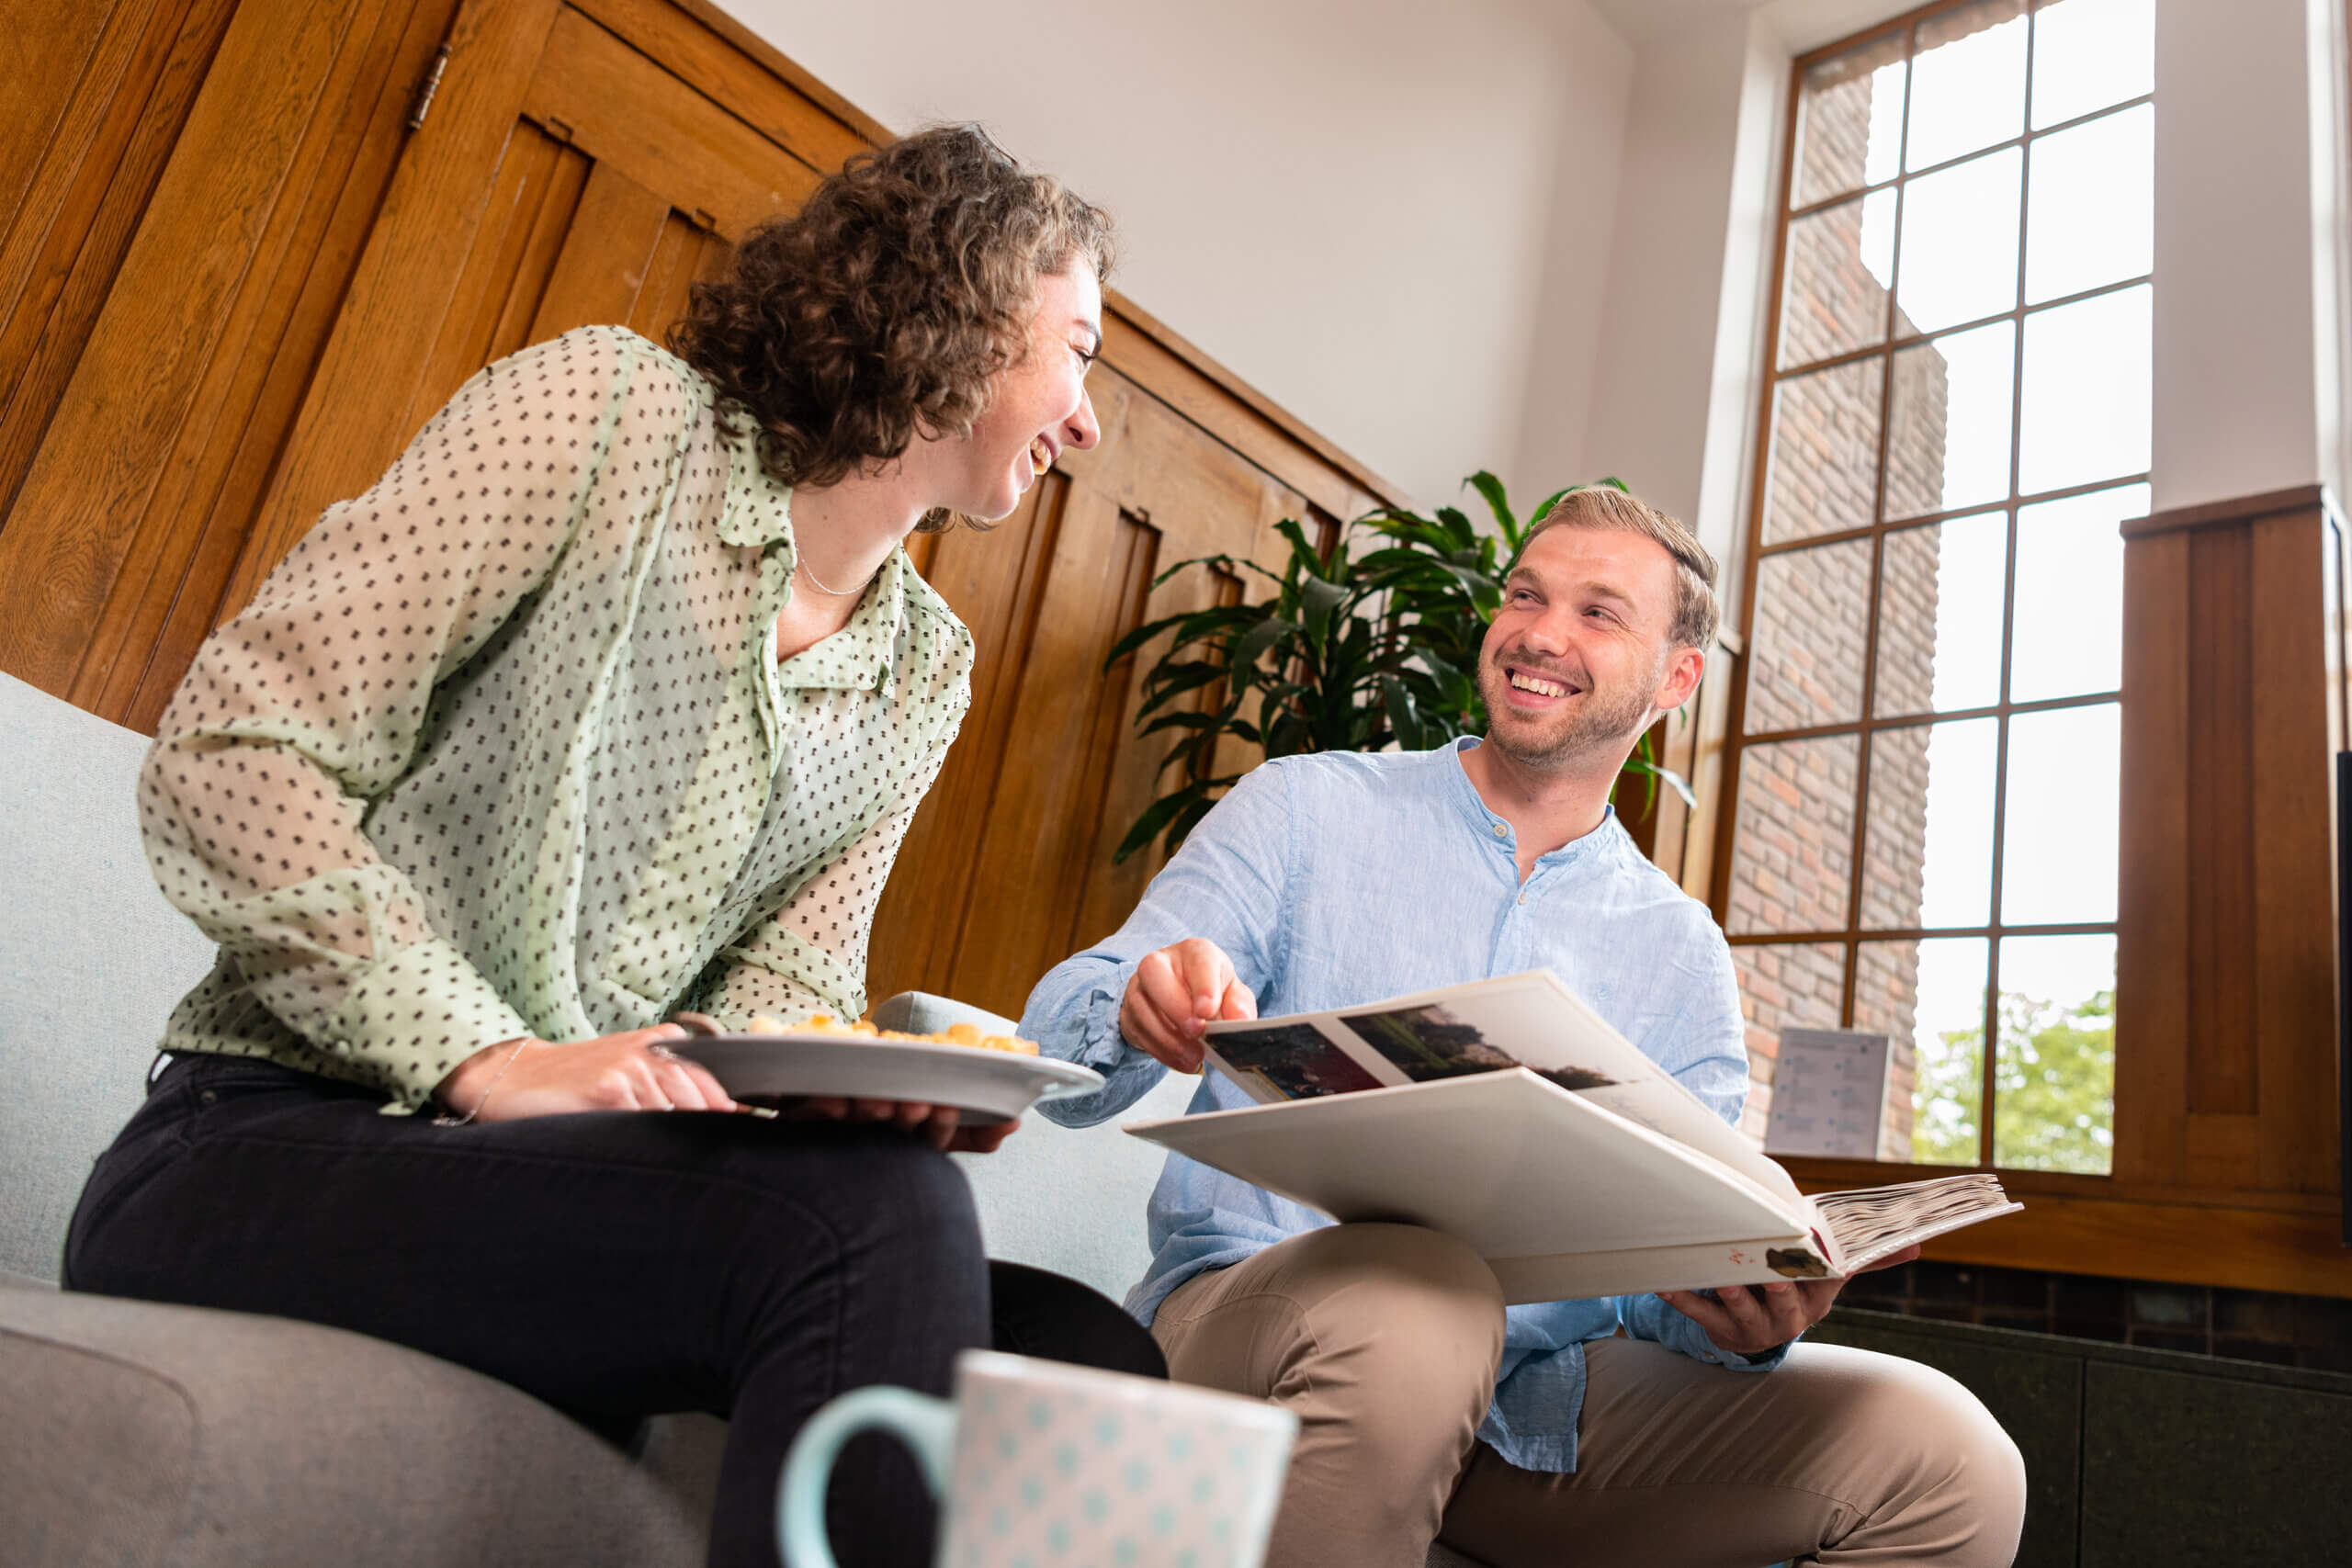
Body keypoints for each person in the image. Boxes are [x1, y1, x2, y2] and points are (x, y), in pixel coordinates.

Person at [65, 125, 1157, 1568]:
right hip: (262, 1140)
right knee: (873, 1223)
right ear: (961, 310)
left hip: (567, 1182)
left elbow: (788, 973)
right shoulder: (606, 416)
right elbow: (231, 753)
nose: (1086, 418)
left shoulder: (919, 669)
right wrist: (492, 1055)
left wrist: (851, 1086)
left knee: (1083, 1353)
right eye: (1078, 348)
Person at [1020, 486, 2028, 1568]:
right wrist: (1136, 1003)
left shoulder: (1679, 951)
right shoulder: (1303, 807)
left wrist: (1745, 1312)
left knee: (1953, 1459)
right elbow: (1061, 1049)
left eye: (1599, 612)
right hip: (1257, 1329)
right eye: (1525, 595)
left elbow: (1659, 1286)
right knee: (1424, 1305)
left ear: (1674, 679)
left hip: (1538, 1405)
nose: (1540, 634)